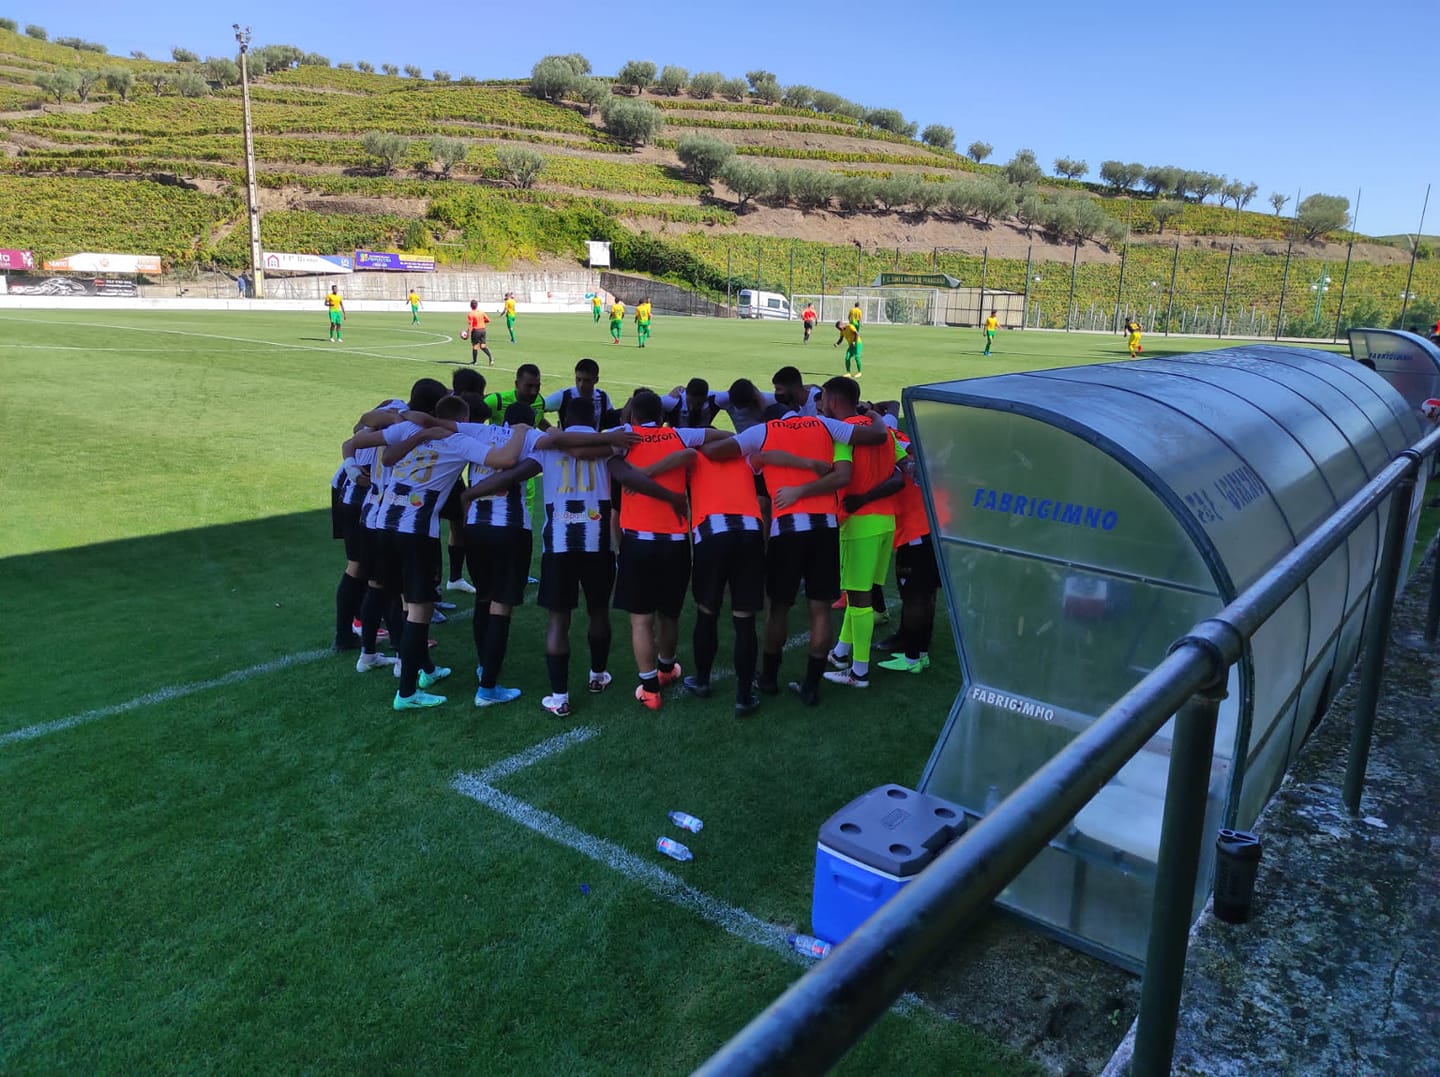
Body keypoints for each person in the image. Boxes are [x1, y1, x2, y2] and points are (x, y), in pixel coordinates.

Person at [460, 402, 629, 706]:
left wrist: (471, 492)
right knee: (598, 611)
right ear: (594, 421)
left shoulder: (548, 448)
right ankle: (597, 676)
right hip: (598, 542)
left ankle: (559, 696)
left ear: (563, 420)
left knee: (558, 620)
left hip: (558, 545)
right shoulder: (608, 447)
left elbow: (510, 477)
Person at [372, 395, 529, 710]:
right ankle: (407, 692)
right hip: (416, 531)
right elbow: (506, 459)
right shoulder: (459, 441)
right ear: (463, 419)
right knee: (420, 611)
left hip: (383, 524)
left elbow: (376, 449)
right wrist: (522, 431)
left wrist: (410, 425)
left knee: (404, 602)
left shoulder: (411, 431)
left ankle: (425, 670)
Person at [610, 390, 718, 711]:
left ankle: (650, 689)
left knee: (641, 620)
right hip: (675, 542)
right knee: (669, 613)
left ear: (633, 416)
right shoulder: (681, 435)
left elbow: (585, 440)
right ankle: (667, 668)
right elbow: (724, 436)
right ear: (661, 416)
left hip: (638, 540)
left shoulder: (624, 437)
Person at [820, 377, 905, 689]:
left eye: (823, 398)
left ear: (833, 400)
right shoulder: (882, 431)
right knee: (861, 593)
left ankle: (859, 673)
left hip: (859, 524)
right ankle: (841, 653)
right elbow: (902, 469)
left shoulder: (844, 434)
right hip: (886, 522)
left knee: (858, 599)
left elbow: (841, 475)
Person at [876, 432, 939, 675]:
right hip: (933, 528)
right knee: (927, 594)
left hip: (915, 533)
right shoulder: (916, 447)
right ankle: (921, 653)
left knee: (914, 598)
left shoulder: (894, 447)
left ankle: (912, 658)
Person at [543, 358, 613, 430]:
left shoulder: (603, 398)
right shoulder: (564, 396)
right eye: (578, 379)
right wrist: (549, 430)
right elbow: (537, 409)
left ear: (596, 380)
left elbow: (612, 421)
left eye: (587, 381)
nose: (581, 385)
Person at [465, 300, 493, 365]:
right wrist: (482, 322)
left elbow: (471, 325)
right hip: (483, 330)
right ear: (477, 305)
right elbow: (488, 320)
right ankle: (491, 357)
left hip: (476, 331)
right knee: (483, 346)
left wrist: (468, 334)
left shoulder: (470, 314)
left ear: (470, 305)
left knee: (475, 346)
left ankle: (475, 361)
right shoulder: (481, 312)